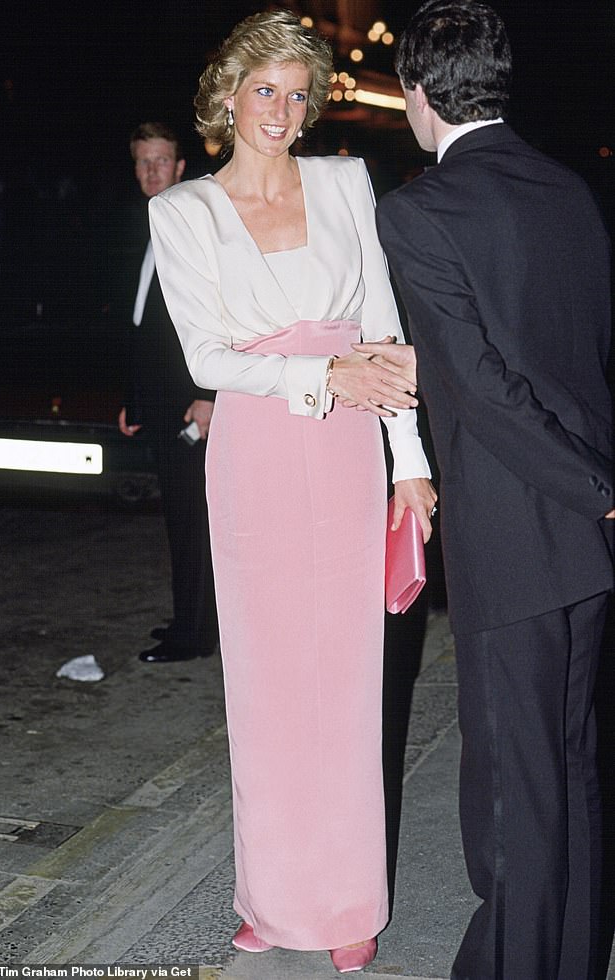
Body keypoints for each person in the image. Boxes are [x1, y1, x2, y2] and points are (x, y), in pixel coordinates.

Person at [148, 10, 436, 974]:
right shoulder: (183, 210)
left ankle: (347, 901)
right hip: (260, 452)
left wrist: (410, 462)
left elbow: (384, 323)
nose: (280, 108)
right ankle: (273, 900)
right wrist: (323, 380)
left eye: (295, 92)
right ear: (227, 97)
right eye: (262, 89)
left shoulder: (345, 182)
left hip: (352, 446)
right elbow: (208, 357)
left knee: (347, 682)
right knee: (269, 686)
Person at [365, 2, 614, 977]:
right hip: (586, 537)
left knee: (516, 781)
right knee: (572, 762)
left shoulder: (419, 209)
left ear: (416, 94)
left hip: (524, 529)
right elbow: (575, 358)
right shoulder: (568, 190)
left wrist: (594, 488)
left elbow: (483, 388)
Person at [119, 122, 218, 663]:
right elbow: (145, 325)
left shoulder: (194, 226)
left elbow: (216, 318)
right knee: (177, 519)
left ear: (181, 167)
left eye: (160, 161)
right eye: (141, 162)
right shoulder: (152, 225)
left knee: (193, 521)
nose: (150, 172)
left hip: (191, 405)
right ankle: (188, 619)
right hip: (160, 403)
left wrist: (210, 396)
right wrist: (133, 400)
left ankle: (196, 634)